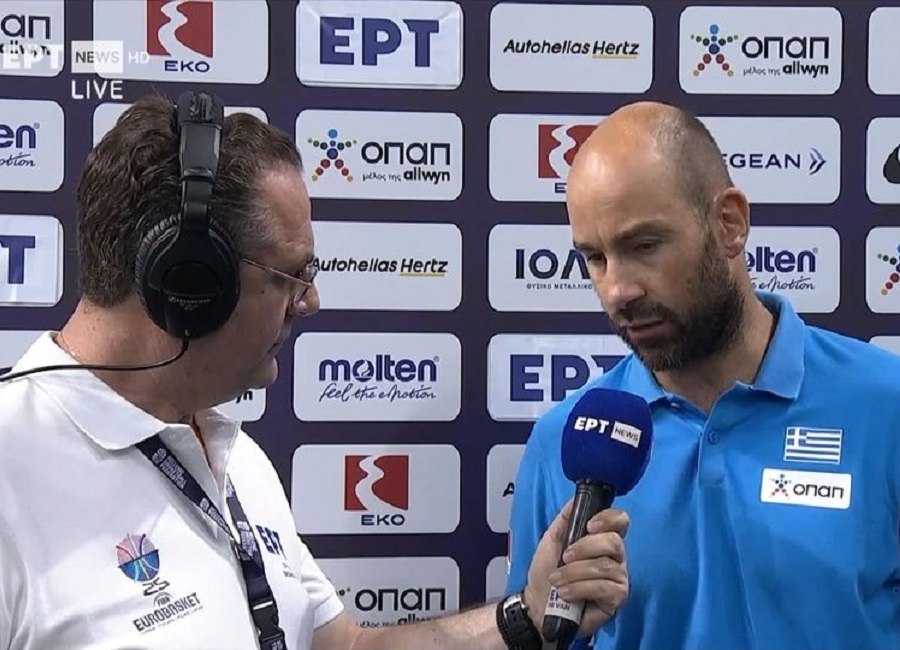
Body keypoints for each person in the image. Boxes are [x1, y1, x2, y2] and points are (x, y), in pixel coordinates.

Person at [0, 92, 630, 650]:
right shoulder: (13, 471)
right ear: (190, 281)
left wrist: (525, 615)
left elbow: (343, 646)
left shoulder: (233, 456)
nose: (310, 302)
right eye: (291, 275)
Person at [505, 100, 900, 650]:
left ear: (729, 224)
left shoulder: (886, 405)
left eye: (644, 246)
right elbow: (537, 635)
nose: (617, 290)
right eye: (594, 258)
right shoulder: (564, 441)